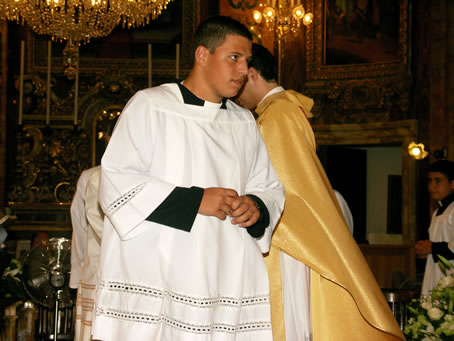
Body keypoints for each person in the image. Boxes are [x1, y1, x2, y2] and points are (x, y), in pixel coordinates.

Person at [92, 16, 285, 341]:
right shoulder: (151, 106)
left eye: (247, 62)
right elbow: (117, 183)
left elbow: (268, 186)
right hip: (161, 278)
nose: (244, 71)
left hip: (224, 279)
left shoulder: (243, 122)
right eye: (234, 58)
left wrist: (256, 207)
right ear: (202, 56)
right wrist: (196, 200)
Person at [235, 43, 404, 340]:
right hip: (291, 238)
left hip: (286, 240)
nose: (235, 89)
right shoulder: (284, 109)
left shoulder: (276, 116)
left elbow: (286, 188)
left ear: (251, 73)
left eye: (239, 76)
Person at [70, 115, 120, 341]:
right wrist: (78, 272)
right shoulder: (92, 178)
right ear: (108, 139)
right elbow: (81, 227)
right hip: (100, 272)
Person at [415, 159, 454, 296]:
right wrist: (427, 252)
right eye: (429, 181)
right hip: (436, 275)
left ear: (452, 184)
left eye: (438, 181)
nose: (432, 186)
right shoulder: (437, 212)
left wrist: (432, 248)